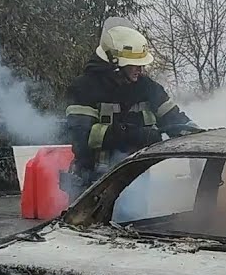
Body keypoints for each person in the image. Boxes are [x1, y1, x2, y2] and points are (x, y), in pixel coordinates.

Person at [63, 19, 200, 193]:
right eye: (134, 64)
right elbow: (83, 138)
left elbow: (174, 118)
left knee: (132, 220)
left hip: (135, 182)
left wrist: (199, 134)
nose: (140, 69)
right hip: (92, 184)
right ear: (115, 64)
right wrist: (133, 135)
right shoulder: (84, 88)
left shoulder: (147, 87)